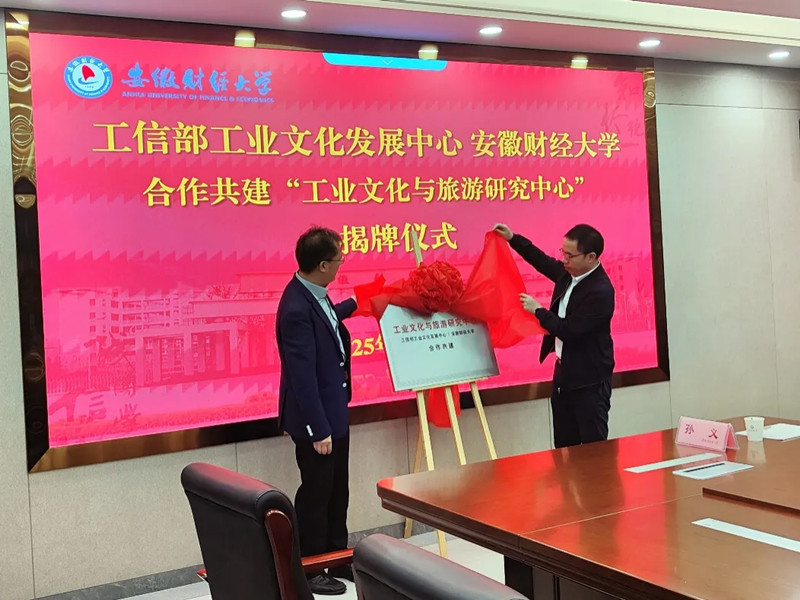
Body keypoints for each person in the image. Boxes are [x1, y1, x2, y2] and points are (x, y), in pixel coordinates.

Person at [276, 226, 357, 595]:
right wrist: (318, 429)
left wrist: (356, 304)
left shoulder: (314, 293)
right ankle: (309, 567)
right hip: (316, 418)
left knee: (338, 488)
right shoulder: (295, 307)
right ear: (323, 264)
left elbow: (327, 322)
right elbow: (302, 377)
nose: (342, 263)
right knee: (316, 492)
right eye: (339, 259)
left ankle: (337, 556)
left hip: (334, 408)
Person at [493, 223, 615, 448]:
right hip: (564, 376)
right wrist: (512, 238)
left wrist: (538, 311)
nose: (564, 259)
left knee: (594, 452)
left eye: (570, 255)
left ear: (591, 257)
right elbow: (540, 260)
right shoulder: (568, 274)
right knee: (564, 449)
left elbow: (569, 331)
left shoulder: (601, 291)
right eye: (563, 252)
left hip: (590, 382)